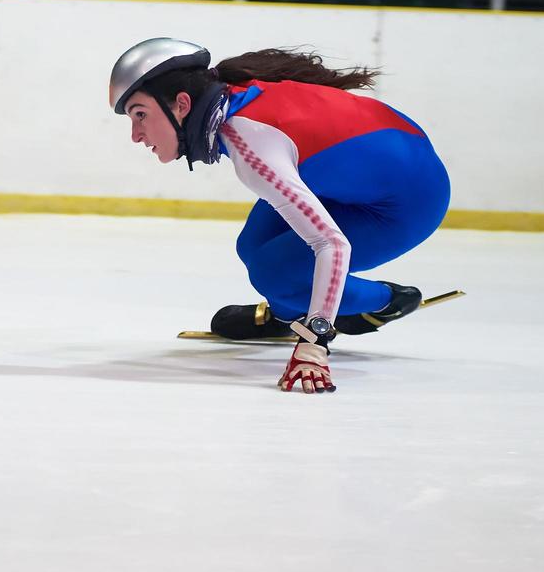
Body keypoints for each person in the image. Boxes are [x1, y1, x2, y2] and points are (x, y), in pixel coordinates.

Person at [109, 38, 450, 395]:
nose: (136, 135)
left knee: (275, 272)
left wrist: (314, 343)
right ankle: (288, 312)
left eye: (140, 115)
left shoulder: (248, 141)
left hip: (408, 202)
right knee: (253, 245)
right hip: (362, 175)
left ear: (182, 104)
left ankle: (383, 301)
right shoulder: (233, 94)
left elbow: (331, 243)